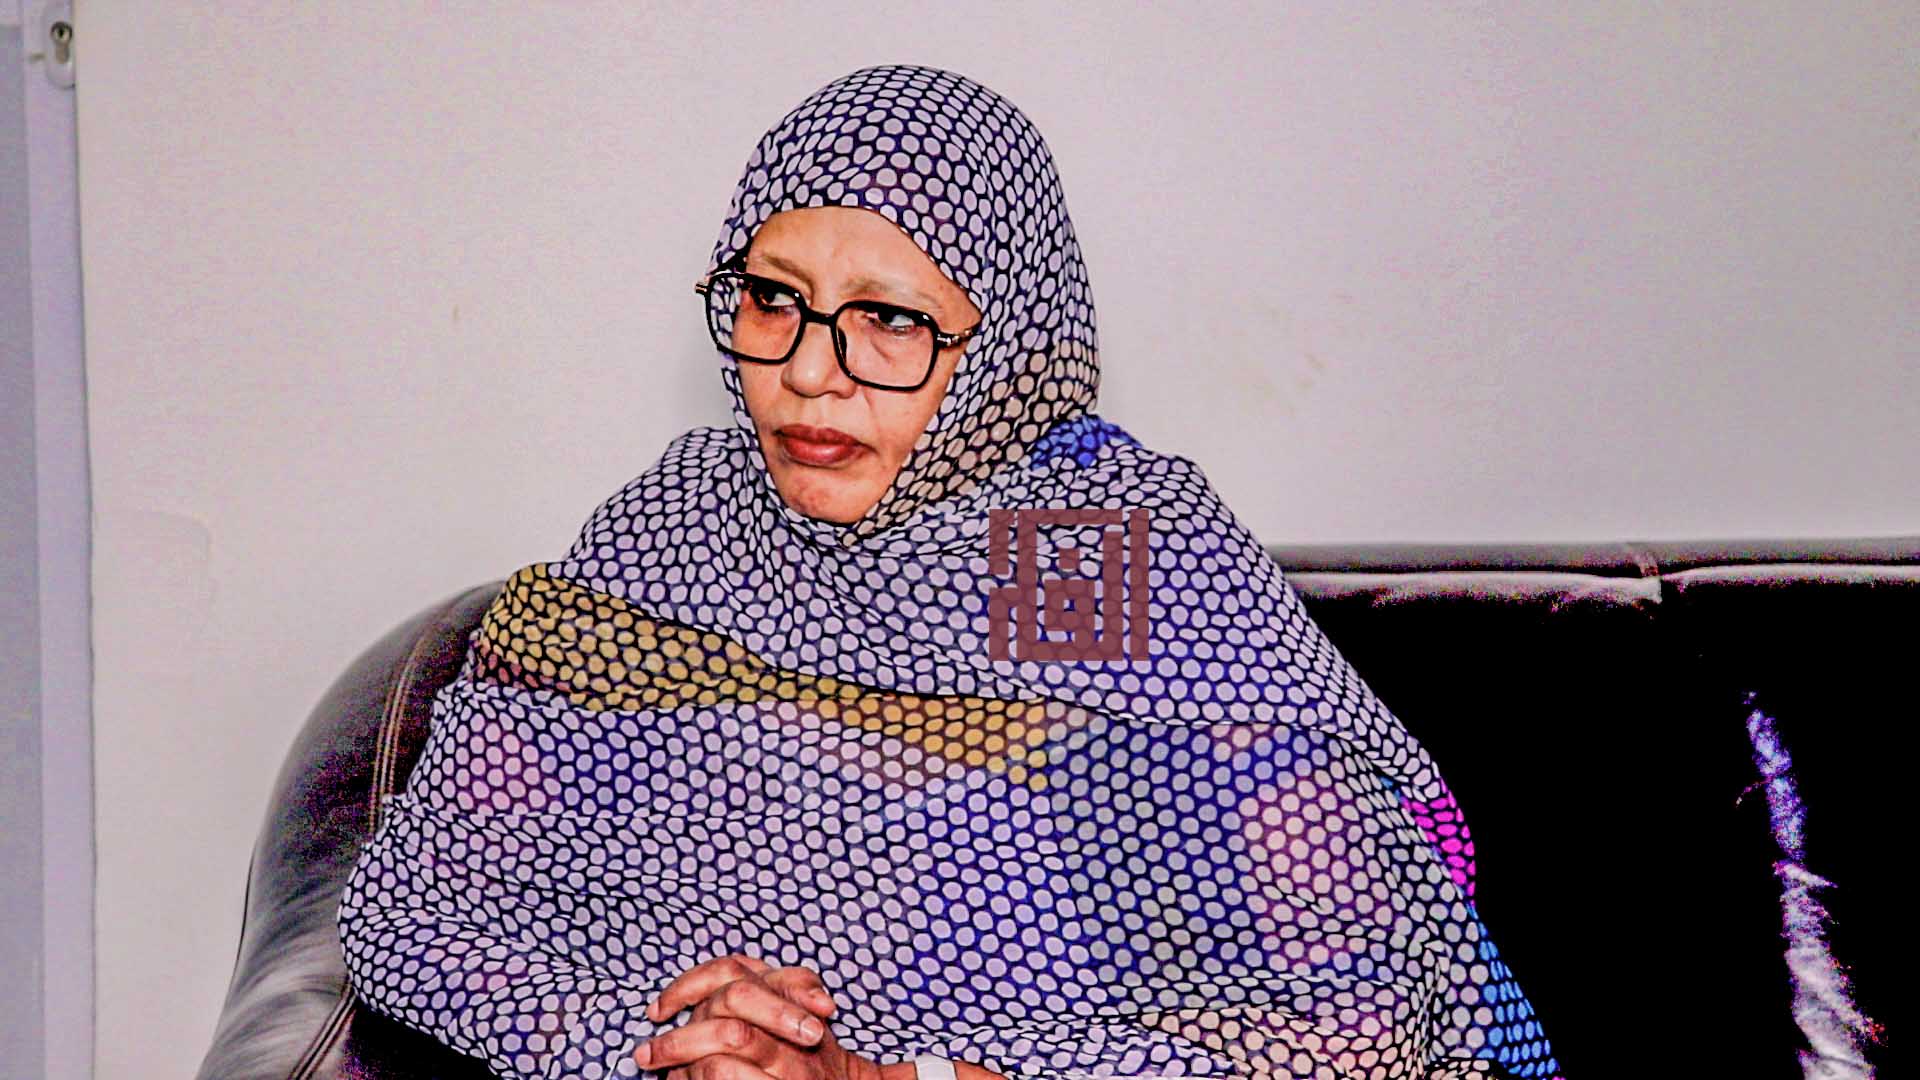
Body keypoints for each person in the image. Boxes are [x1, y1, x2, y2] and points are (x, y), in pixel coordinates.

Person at [337, 64, 1561, 1080]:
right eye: (772, 300)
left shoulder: (1078, 556)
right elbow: (408, 909)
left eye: (892, 320)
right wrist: (657, 1049)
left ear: (1008, 343)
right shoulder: (676, 529)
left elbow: (1348, 1027)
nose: (809, 372)